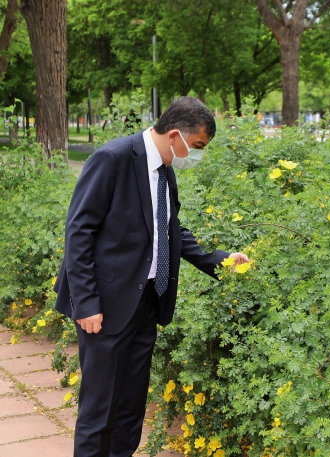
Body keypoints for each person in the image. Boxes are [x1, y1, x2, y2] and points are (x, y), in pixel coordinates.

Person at [53, 96, 249, 457]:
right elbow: (78, 232)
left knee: (130, 408)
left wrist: (220, 261)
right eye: (199, 146)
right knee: (99, 411)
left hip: (146, 304)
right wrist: (86, 303)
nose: (198, 155)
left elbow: (171, 229)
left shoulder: (165, 169)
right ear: (175, 135)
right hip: (105, 307)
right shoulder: (112, 159)